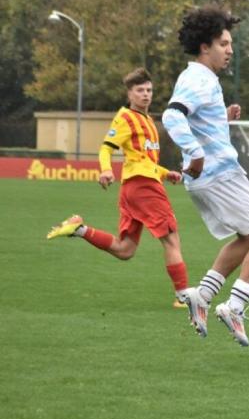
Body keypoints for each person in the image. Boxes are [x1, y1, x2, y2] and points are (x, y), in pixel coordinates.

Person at [162, 5, 249, 346]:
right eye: (224, 44)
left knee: (247, 239)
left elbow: (192, 118)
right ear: (205, 47)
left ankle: (202, 295)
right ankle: (235, 306)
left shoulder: (199, 79)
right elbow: (172, 116)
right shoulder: (199, 78)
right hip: (220, 174)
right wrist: (196, 154)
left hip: (208, 178)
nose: (230, 50)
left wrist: (220, 118)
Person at [46, 68, 193, 309]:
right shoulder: (125, 117)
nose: (145, 95)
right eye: (140, 90)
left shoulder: (148, 120)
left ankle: (79, 229)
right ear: (130, 93)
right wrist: (105, 169)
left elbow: (143, 161)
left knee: (125, 250)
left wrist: (166, 173)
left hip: (135, 188)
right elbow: (106, 147)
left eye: (149, 90)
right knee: (172, 241)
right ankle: (183, 297)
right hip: (144, 188)